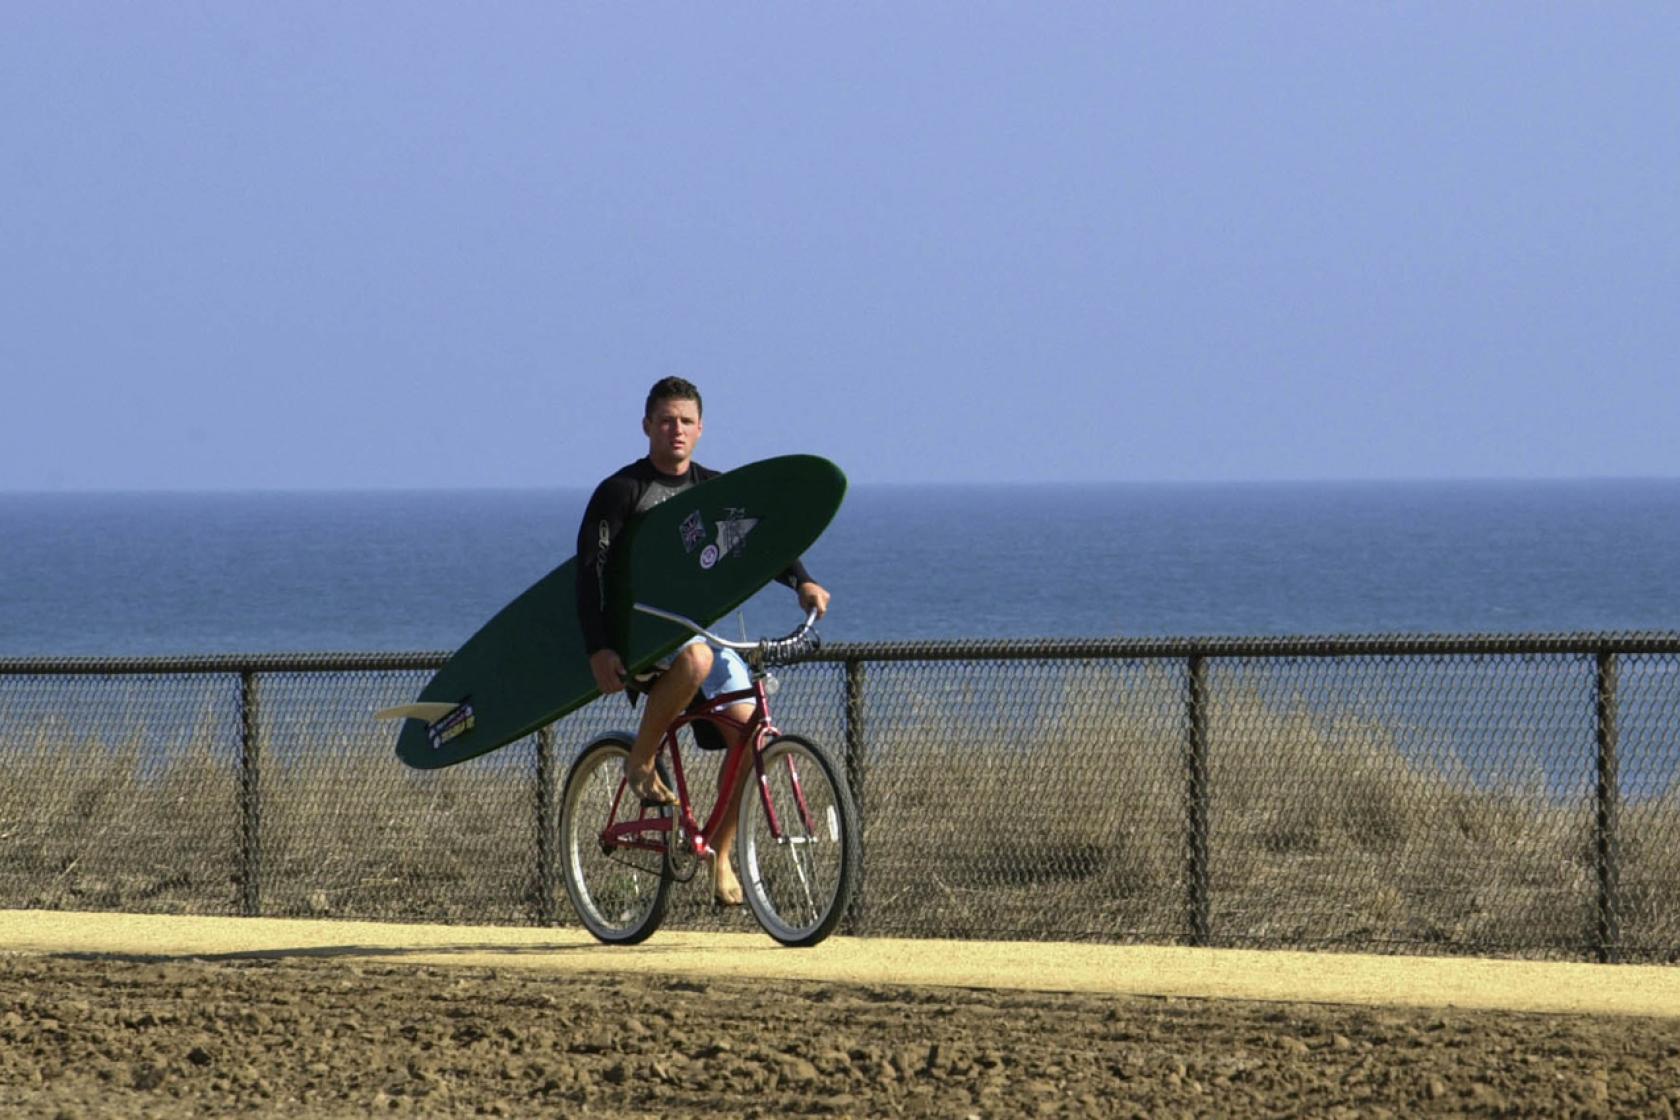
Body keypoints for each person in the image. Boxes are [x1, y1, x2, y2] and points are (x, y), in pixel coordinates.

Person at [576, 377, 830, 906]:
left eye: (686, 421)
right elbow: (590, 572)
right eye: (666, 420)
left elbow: (762, 543)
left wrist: (801, 580)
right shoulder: (621, 492)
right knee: (693, 655)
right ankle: (640, 761)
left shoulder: (714, 490)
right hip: (644, 637)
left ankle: (719, 853)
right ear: (647, 425)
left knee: (749, 739)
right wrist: (599, 647)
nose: (676, 430)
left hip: (706, 636)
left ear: (701, 429)